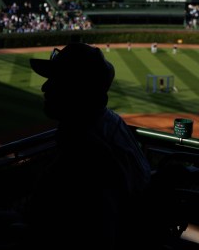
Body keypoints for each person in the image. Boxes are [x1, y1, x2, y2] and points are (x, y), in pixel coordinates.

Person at [23, 42, 152, 249]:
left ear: (78, 89)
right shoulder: (112, 122)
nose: (45, 87)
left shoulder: (84, 151)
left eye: (57, 80)